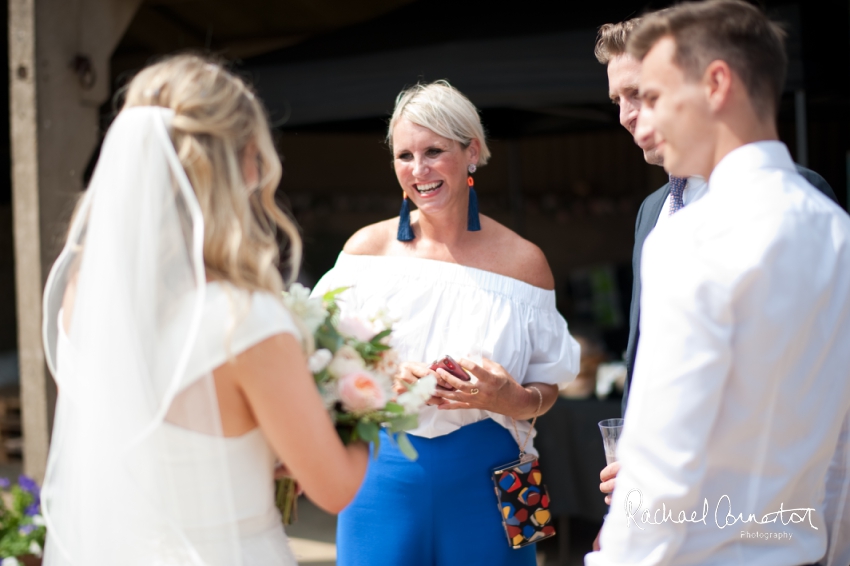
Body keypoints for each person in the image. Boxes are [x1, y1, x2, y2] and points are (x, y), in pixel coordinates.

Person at [40, 55, 368, 566]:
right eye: (257, 152)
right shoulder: (244, 318)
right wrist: (365, 402)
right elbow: (335, 488)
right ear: (240, 164)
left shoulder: (83, 291)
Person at [586, 1, 850, 563]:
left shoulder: (694, 238)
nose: (641, 119)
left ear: (715, 85)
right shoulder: (838, 231)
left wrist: (619, 548)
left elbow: (666, 455)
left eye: (653, 96)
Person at [311, 80, 580, 566]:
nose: (419, 170)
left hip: (495, 472)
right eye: (404, 156)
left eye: (434, 151)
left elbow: (550, 383)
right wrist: (378, 378)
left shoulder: (525, 263)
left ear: (471, 151)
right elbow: (316, 361)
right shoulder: (364, 254)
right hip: (381, 470)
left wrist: (511, 399)